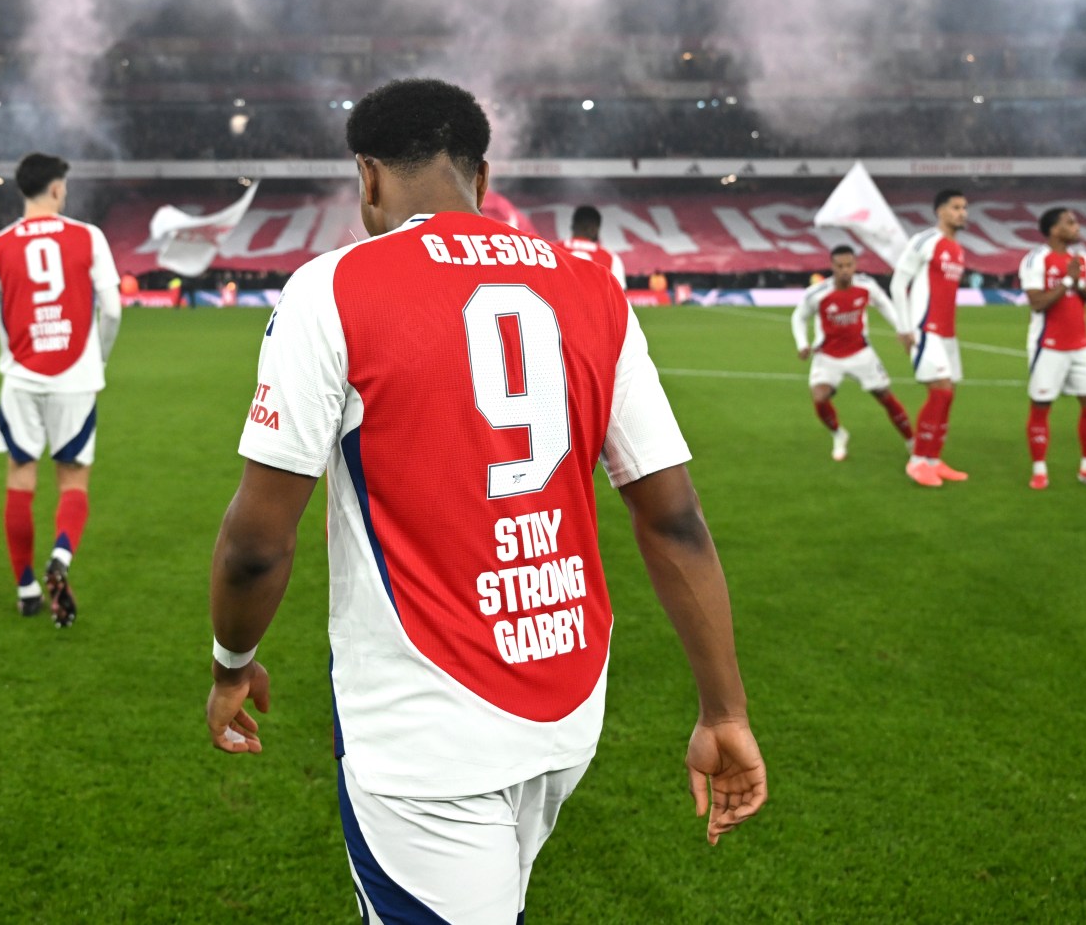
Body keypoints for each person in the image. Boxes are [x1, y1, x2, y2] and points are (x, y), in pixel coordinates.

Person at [204, 79, 765, 921]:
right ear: (483, 172)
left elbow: (258, 543)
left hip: (425, 728)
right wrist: (724, 709)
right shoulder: (592, 287)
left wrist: (231, 665)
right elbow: (674, 518)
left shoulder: (334, 288)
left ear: (367, 176)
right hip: (566, 702)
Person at [0, 153, 123, 626]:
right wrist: (99, 359)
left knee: (20, 478)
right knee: (73, 479)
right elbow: (112, 310)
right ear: (56, 190)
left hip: (21, 379)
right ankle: (62, 557)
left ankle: (27, 587)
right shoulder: (88, 237)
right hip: (76, 377)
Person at [1019, 208, 1086, 490]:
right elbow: (1037, 302)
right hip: (1047, 345)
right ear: (1053, 230)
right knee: (1041, 406)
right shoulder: (1036, 259)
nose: (1077, 227)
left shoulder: (1082, 259)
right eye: (1070, 222)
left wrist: (1077, 282)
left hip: (1080, 346)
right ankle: (1039, 470)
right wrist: (1066, 281)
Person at [790, 245, 914, 461]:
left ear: (855, 265)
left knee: (885, 396)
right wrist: (802, 343)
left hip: (861, 353)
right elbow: (798, 317)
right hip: (827, 355)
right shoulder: (818, 294)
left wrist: (902, 329)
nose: (845, 270)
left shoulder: (866, 286)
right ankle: (839, 435)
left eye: (849, 265)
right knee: (819, 398)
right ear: (832, 267)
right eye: (840, 266)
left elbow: (885, 305)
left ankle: (912, 441)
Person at [890, 189, 970, 487]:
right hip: (925, 329)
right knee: (940, 392)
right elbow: (899, 284)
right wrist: (905, 326)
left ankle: (934, 459)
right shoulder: (925, 241)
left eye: (964, 208)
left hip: (948, 333)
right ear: (940, 211)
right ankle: (917, 460)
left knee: (948, 395)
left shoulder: (958, 249)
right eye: (956, 208)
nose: (962, 213)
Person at [558, 204, 628, 287]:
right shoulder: (610, 257)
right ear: (594, 229)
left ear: (572, 226)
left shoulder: (550, 249)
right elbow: (620, 294)